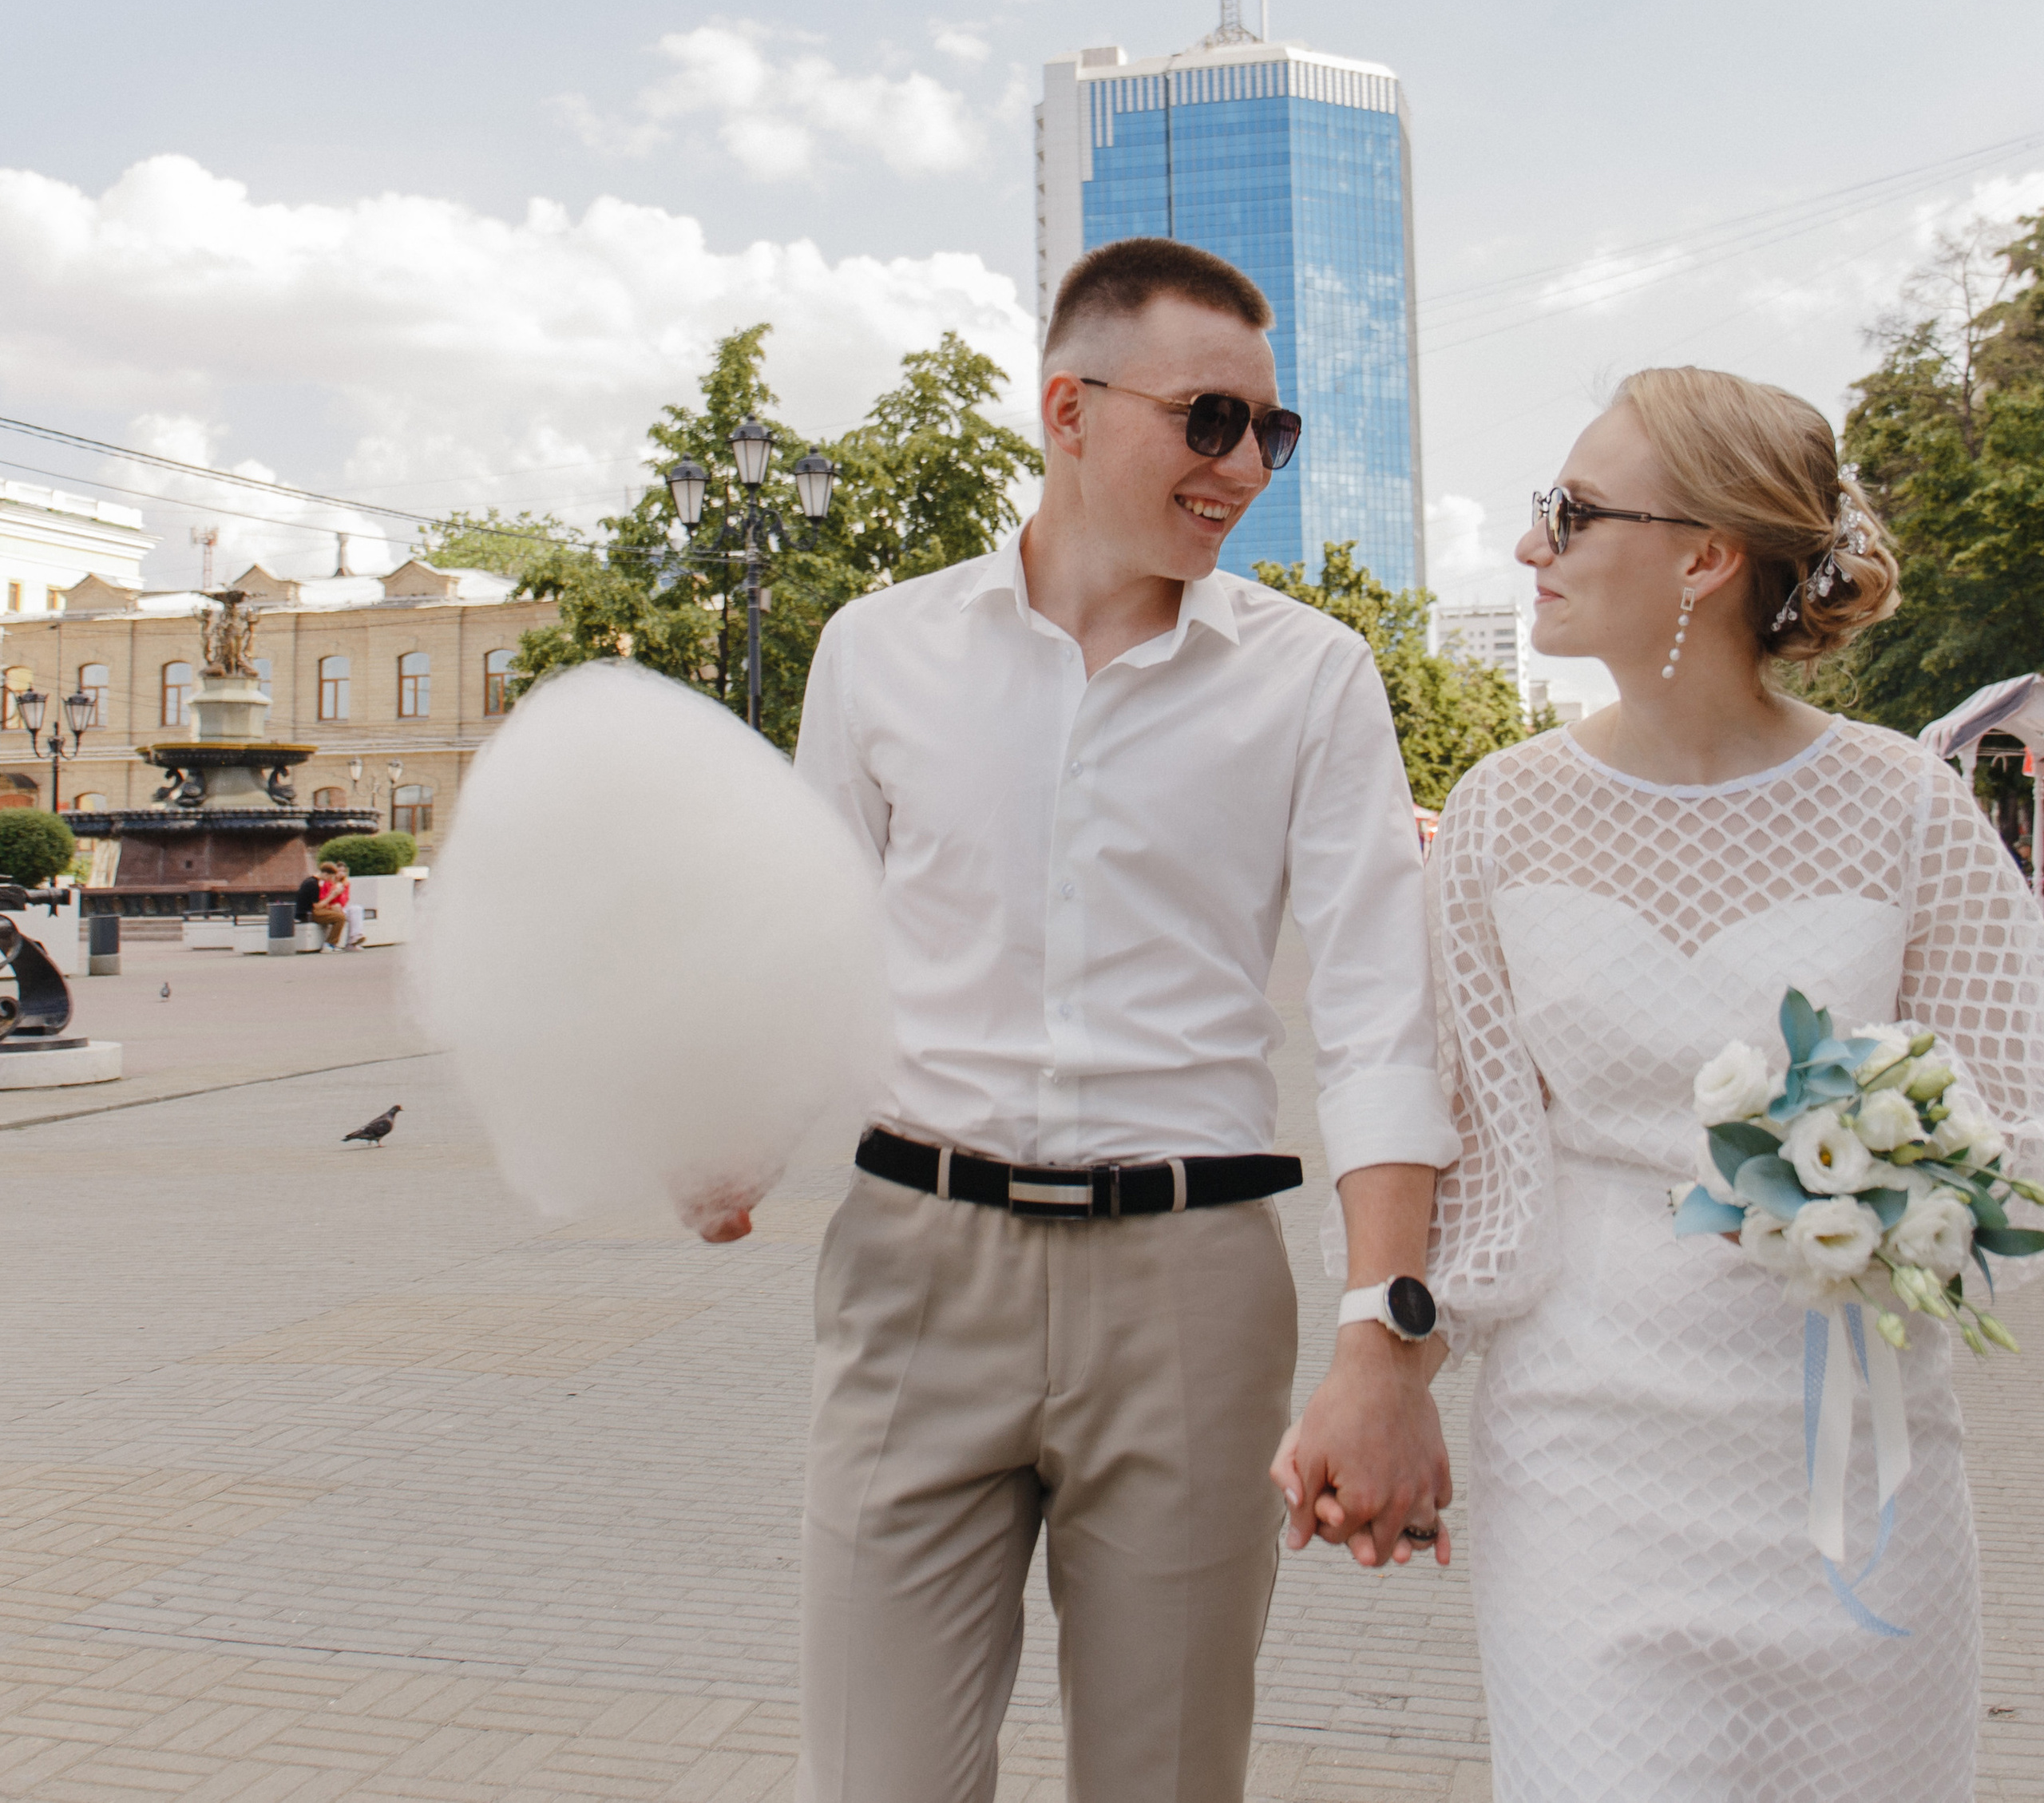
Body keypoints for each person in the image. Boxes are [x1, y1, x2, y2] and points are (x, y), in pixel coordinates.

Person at [740, 237, 1459, 1803]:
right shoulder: (878, 650)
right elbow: (805, 942)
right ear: (1066, 407)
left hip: (1189, 1290)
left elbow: (1377, 1016)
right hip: (913, 1270)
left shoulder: (1311, 680)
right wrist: (716, 1127)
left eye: (1274, 431)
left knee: (1165, 1778)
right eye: (1210, 420)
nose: (1246, 466)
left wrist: (1380, 1332)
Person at [1416, 367, 2043, 1801]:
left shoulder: (1906, 804)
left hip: (1854, 1454)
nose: (1532, 545)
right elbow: (1458, 1132)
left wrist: (1908, 1179)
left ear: (1705, 555)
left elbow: (2012, 1113)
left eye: (1569, 513)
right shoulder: (1505, 812)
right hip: (1586, 1458)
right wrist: (1387, 1362)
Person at [310, 858, 350, 949]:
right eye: (331, 877)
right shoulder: (317, 884)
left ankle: (340, 942)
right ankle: (330, 944)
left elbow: (343, 900)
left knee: (342, 914)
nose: (331, 880)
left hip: (317, 909)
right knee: (340, 918)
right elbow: (318, 905)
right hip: (312, 911)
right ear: (326, 874)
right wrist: (333, 895)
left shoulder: (317, 882)